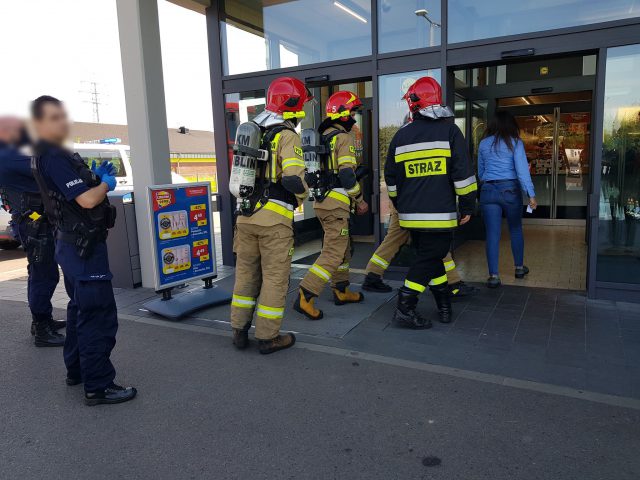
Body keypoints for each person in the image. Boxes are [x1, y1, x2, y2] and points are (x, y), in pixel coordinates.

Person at [30, 96, 136, 405]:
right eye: (53, 117)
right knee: (98, 315)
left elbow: (68, 193)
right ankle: (99, 385)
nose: (61, 122)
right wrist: (104, 184)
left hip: (71, 244)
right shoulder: (53, 156)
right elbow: (87, 201)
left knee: (79, 309)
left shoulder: (46, 154)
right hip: (84, 248)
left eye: (62, 115)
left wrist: (91, 175)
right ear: (38, 123)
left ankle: (76, 370)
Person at [384, 77, 477, 329]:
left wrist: (398, 201)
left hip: (410, 215)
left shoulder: (400, 136)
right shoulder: (449, 131)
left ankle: (444, 306)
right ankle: (405, 306)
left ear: (414, 104)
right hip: (440, 215)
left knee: (433, 258)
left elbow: (390, 177)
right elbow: (463, 174)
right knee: (430, 258)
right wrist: (468, 205)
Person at [230, 77, 311, 354]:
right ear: (294, 106)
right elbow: (294, 181)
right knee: (275, 278)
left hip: (245, 218)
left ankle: (238, 331)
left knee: (245, 275)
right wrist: (304, 194)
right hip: (273, 221)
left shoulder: (252, 132)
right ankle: (268, 337)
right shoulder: (287, 136)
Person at [294, 90, 368, 320]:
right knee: (333, 252)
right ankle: (306, 293)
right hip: (336, 204)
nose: (355, 115)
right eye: (353, 111)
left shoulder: (322, 136)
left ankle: (341, 290)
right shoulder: (343, 138)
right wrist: (360, 199)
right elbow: (346, 176)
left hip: (322, 201)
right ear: (344, 114)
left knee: (342, 249)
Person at [0, 116, 65, 346]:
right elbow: (45, 167)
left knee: (40, 271)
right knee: (43, 274)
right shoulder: (8, 155)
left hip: (34, 222)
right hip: (34, 223)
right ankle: (42, 329)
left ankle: (42, 319)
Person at [362, 204, 478, 298]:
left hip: (405, 207)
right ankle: (453, 285)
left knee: (392, 242)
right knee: (436, 245)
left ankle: (372, 276)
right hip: (417, 208)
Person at [478, 110, 536, 288]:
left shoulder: (483, 144)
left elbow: (481, 173)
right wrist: (531, 194)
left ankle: (494, 276)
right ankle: (519, 268)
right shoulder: (516, 143)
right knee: (515, 229)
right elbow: (522, 171)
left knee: (492, 234)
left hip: (488, 190)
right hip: (510, 190)